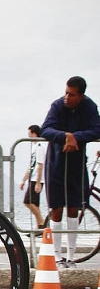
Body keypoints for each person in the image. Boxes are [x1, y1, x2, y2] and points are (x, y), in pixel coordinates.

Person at [40, 76, 100, 268]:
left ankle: (71, 256)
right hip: (56, 163)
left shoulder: (89, 106)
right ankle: (57, 256)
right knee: (56, 208)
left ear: (80, 95)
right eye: (66, 92)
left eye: (71, 94)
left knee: (74, 208)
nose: (67, 97)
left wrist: (76, 137)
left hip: (77, 163)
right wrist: (65, 136)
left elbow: (97, 129)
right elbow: (45, 129)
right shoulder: (57, 105)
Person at [19, 124, 46, 231]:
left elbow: (40, 165)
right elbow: (31, 166)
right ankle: (39, 226)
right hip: (33, 178)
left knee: (28, 202)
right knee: (34, 203)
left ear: (34, 133)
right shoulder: (34, 147)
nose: (28, 136)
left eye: (29, 133)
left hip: (37, 179)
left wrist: (39, 182)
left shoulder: (40, 146)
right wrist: (23, 180)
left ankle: (42, 224)